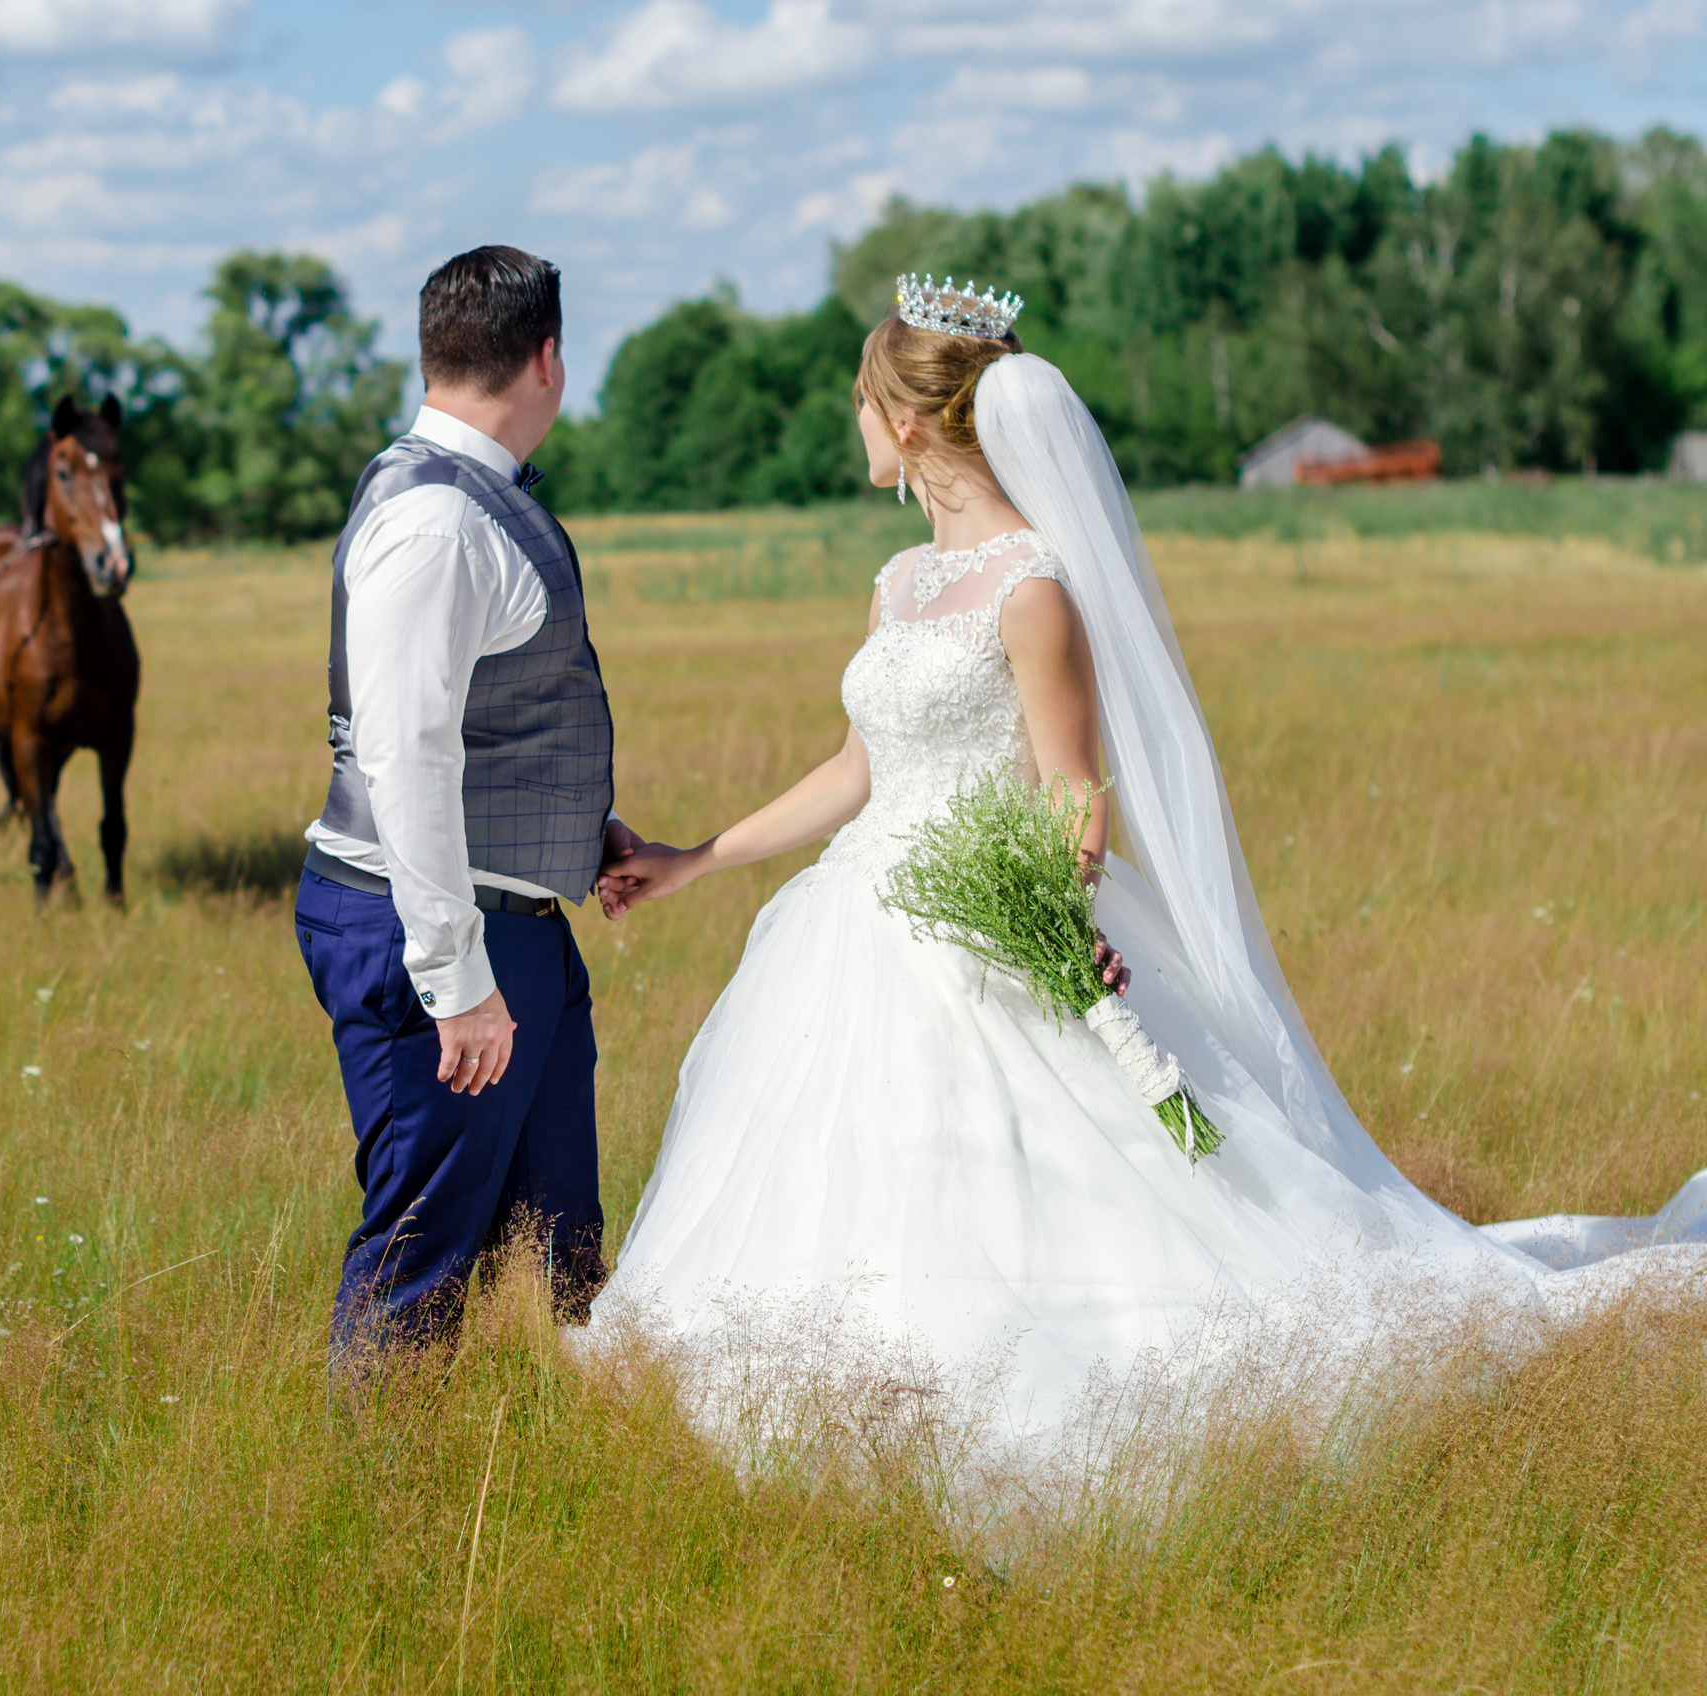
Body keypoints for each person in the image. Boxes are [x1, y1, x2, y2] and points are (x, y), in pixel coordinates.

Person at [589, 277, 1707, 1446]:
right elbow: (854, 769)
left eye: (860, 404)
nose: (855, 427)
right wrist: (691, 861)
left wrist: (1046, 918)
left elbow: (1077, 794)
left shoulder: (1030, 590)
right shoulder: (900, 583)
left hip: (992, 920)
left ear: (908, 421)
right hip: (860, 917)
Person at [297, 245, 642, 1377]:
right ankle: (377, 1522)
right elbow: (403, 754)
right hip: (443, 941)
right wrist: (455, 982)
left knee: (560, 1251)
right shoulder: (439, 523)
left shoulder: (463, 498)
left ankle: (566, 1484)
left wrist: (571, 836)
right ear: (547, 359)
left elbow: (480, 724)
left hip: (510, 920)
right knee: (421, 1256)